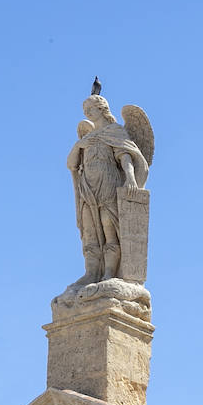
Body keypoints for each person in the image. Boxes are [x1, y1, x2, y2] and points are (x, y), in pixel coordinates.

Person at [67, 95, 150, 284]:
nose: (87, 112)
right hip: (87, 189)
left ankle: (109, 273)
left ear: (102, 109)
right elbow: (71, 164)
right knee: (89, 231)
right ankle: (91, 273)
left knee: (108, 226)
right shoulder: (86, 138)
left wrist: (130, 178)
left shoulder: (114, 131)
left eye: (91, 108)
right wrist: (79, 145)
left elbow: (125, 156)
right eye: (85, 109)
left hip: (108, 185)